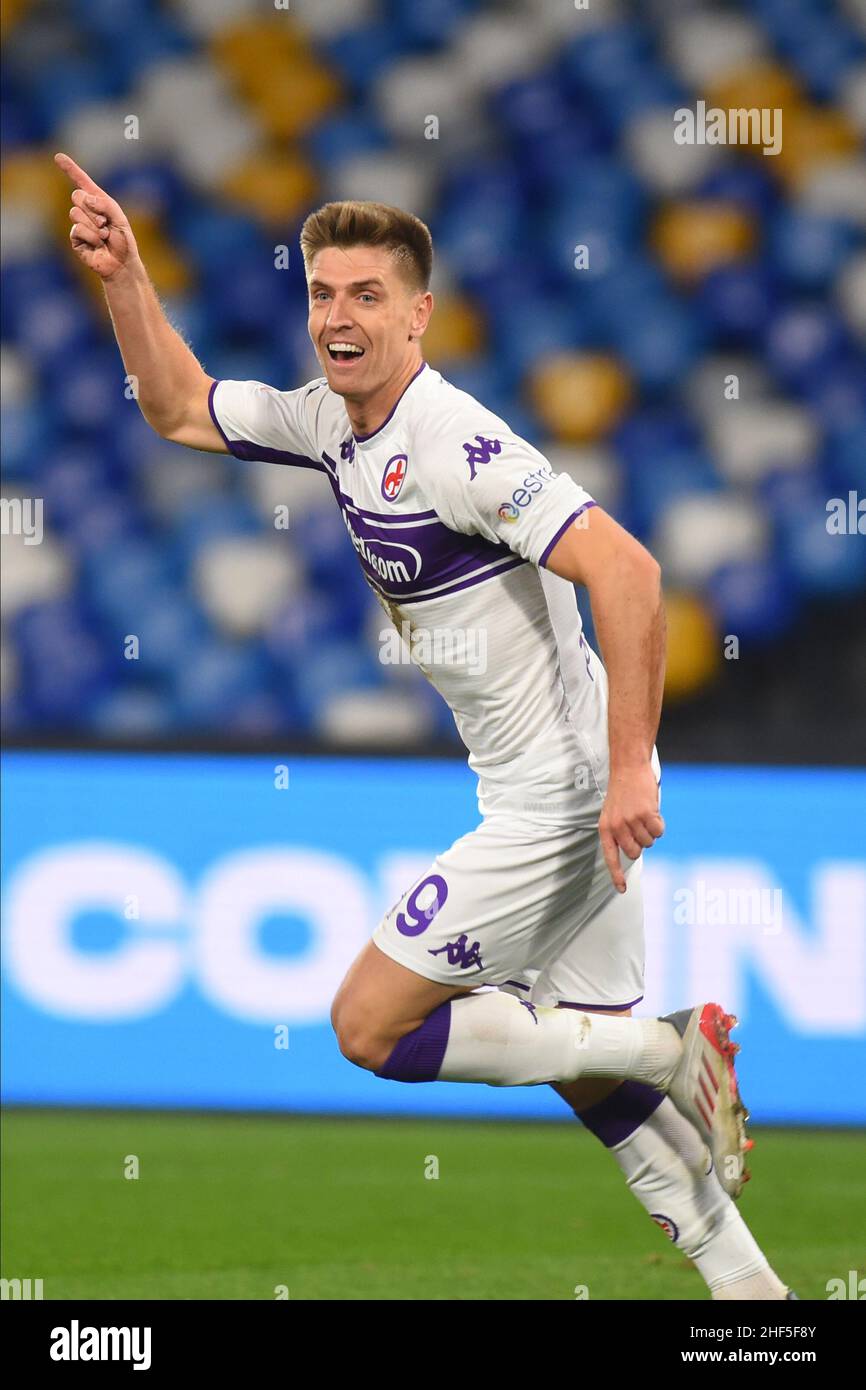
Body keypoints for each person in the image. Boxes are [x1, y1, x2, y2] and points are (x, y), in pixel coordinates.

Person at [56, 152, 796, 1300]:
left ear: (417, 315)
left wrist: (623, 773)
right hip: (543, 783)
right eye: (320, 293)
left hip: (559, 795)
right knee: (600, 1096)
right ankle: (759, 1308)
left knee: (370, 1024)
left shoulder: (458, 444)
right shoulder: (331, 426)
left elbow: (632, 573)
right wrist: (125, 277)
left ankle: (662, 1042)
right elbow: (174, 405)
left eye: (364, 296)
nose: (336, 317)